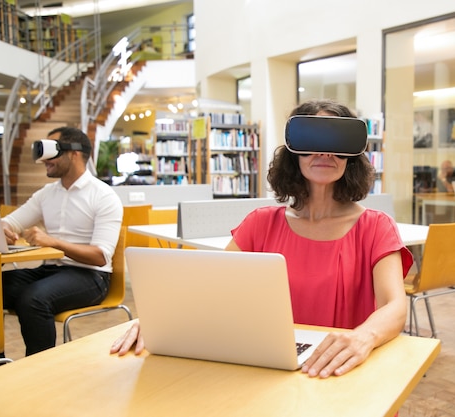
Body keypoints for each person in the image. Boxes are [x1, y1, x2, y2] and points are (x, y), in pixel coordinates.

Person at [111, 99, 413, 378]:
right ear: (294, 153)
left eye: (335, 141)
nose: (324, 153)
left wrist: (365, 336)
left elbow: (394, 305)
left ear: (352, 155)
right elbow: (209, 284)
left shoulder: (376, 227)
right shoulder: (260, 223)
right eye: (311, 141)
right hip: (267, 368)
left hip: (340, 369)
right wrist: (163, 317)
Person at [2, 127, 123, 356]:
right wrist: (4, 229)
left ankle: (40, 369)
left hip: (91, 277)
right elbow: (11, 222)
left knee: (34, 299)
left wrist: (54, 243)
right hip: (50, 271)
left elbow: (100, 256)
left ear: (74, 154)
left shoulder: (104, 196)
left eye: (51, 151)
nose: (44, 160)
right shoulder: (46, 194)